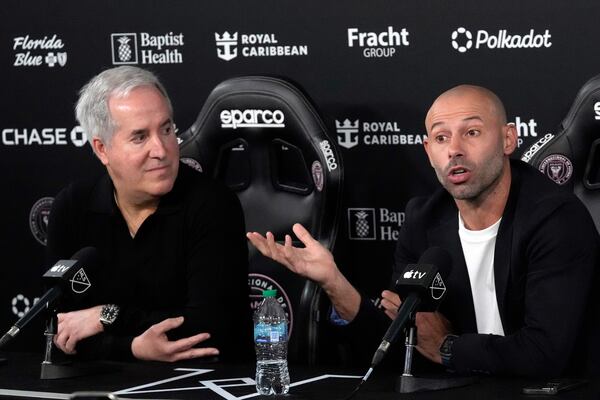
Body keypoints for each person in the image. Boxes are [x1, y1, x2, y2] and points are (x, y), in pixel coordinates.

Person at [247, 85, 599, 377]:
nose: (455, 150)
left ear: (508, 140)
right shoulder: (424, 219)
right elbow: (399, 343)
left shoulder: (554, 218)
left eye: (472, 132)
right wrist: (334, 282)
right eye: (441, 138)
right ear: (429, 152)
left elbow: (545, 354)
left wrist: (447, 347)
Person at [46, 66, 251, 362]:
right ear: (102, 149)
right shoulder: (72, 207)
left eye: (166, 129)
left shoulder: (213, 204)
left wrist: (106, 317)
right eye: (140, 137)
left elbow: (208, 327)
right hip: (103, 384)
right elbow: (59, 331)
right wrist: (132, 347)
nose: (162, 149)